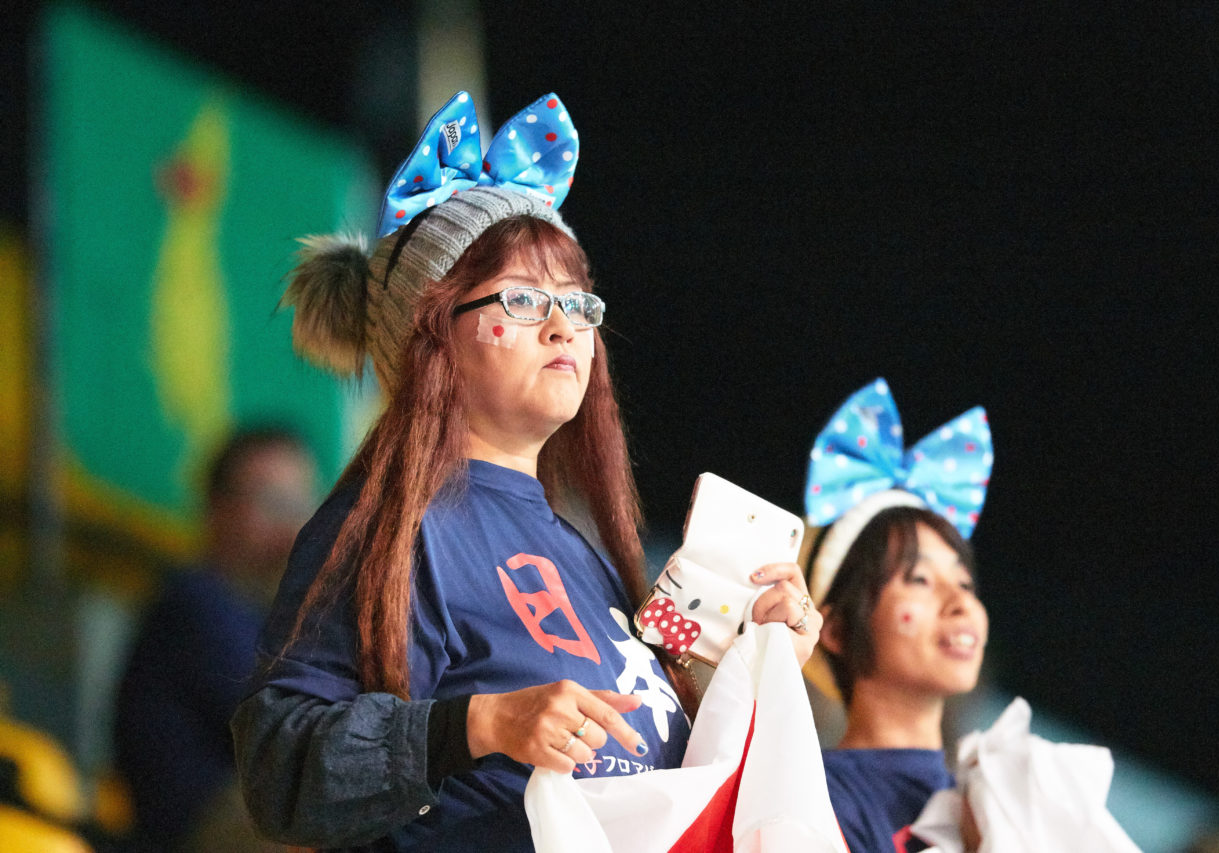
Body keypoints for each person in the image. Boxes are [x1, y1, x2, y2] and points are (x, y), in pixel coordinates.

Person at [231, 90, 819, 853]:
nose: (564, 325)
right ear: (428, 332)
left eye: (579, 303)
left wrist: (759, 667)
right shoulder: (390, 526)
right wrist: (479, 724)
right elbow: (280, 765)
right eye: (522, 298)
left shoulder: (585, 552)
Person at [802, 379, 992, 853]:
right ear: (836, 629)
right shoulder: (811, 799)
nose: (960, 603)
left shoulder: (988, 807)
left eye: (964, 582)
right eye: (919, 580)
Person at [113, 426, 317, 853]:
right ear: (217, 511)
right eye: (273, 503)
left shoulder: (263, 612)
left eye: (301, 504)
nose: (293, 525)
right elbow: (289, 724)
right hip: (199, 828)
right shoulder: (196, 601)